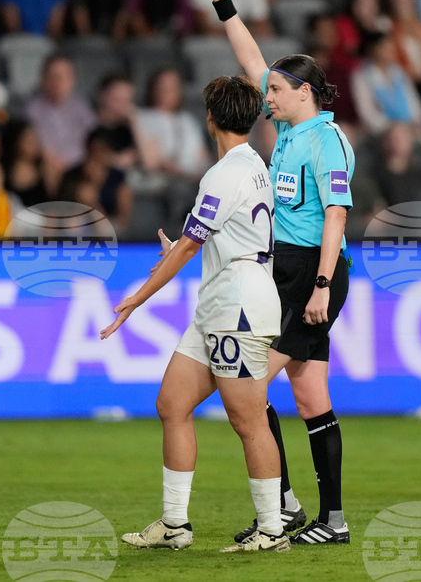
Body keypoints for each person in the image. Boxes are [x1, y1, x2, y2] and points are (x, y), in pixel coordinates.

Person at [203, 0, 355, 545]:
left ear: (305, 94)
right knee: (312, 395)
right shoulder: (292, 129)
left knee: (248, 385)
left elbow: (337, 215)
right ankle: (329, 521)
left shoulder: (328, 141)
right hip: (286, 272)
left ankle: (285, 508)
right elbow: (250, 59)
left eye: (276, 89)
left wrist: (320, 287)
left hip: (310, 275)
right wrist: (224, 1)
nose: (266, 94)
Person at [105, 76, 290, 554]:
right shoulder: (253, 165)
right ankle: (174, 525)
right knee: (172, 404)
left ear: (210, 118)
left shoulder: (223, 173)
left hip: (239, 307)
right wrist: (186, 250)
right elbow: (211, 239)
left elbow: (189, 245)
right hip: (220, 301)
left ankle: (271, 530)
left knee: (248, 419)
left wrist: (137, 297)